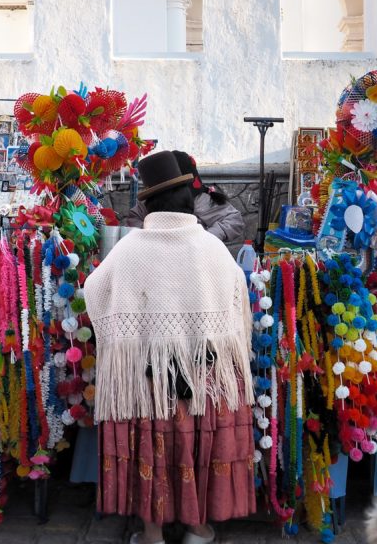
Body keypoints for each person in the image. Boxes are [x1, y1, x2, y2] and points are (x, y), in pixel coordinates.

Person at [85, 151, 255, 544]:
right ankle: (198, 529)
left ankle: (152, 533)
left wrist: (140, 331)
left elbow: (94, 293)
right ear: (186, 199)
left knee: (152, 447)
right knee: (198, 446)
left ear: (149, 203)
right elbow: (237, 300)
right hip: (204, 375)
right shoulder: (211, 247)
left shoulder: (130, 249)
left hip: (149, 378)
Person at [123, 150, 245, 247]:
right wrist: (150, 234)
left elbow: (234, 220)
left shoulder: (201, 200)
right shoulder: (146, 204)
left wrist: (206, 238)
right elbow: (134, 220)